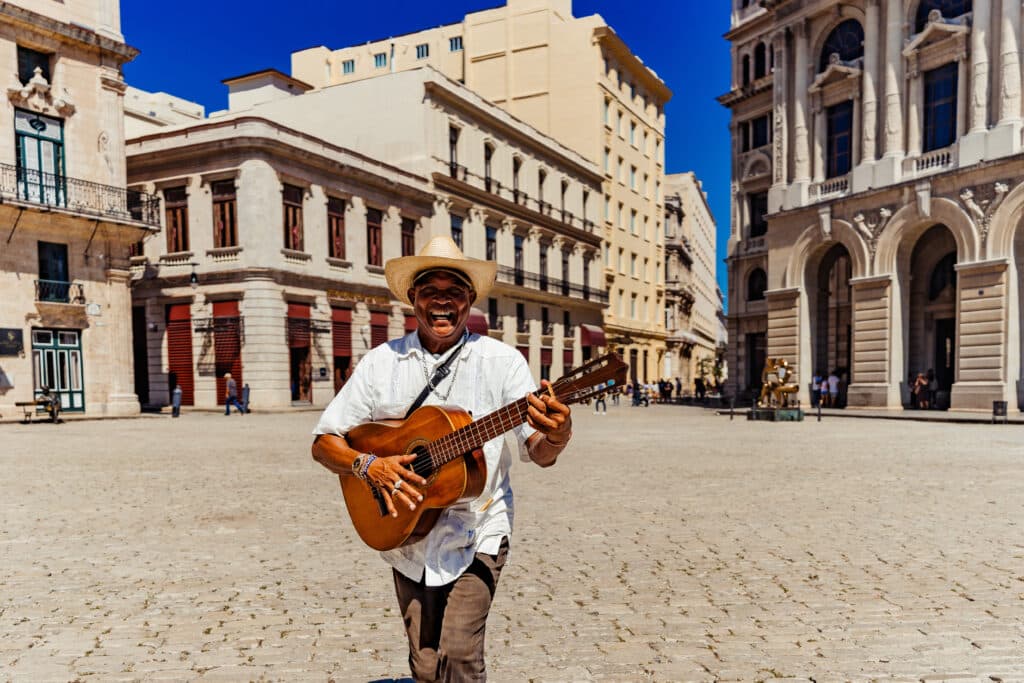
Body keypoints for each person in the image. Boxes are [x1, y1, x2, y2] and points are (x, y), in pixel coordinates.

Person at [311, 236, 572, 682]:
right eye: (431, 290)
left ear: (470, 299)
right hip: (406, 530)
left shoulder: (501, 362)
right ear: (413, 299)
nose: (442, 302)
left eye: (455, 291)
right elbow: (324, 441)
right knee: (426, 666)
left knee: (460, 654)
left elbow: (538, 452)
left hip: (480, 528)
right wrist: (369, 465)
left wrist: (558, 433)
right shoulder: (381, 363)